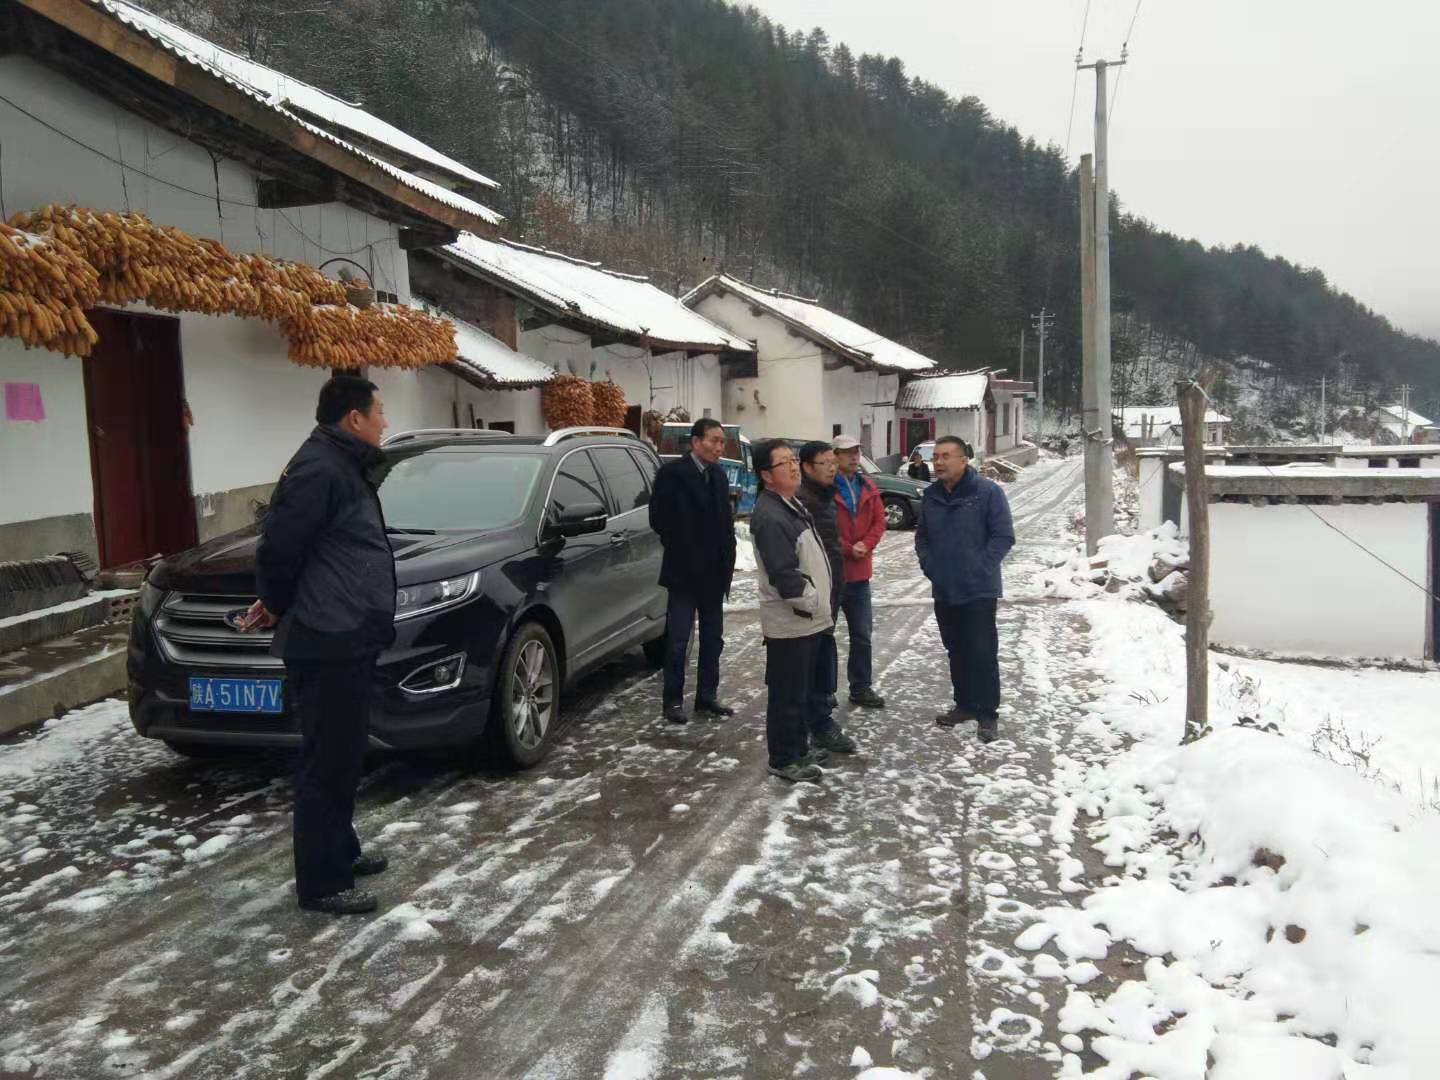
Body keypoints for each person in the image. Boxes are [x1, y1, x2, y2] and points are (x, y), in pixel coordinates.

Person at [241, 375, 396, 915]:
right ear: (354, 418)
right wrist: (275, 601)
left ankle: (340, 851)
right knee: (327, 760)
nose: (384, 421)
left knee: (344, 755)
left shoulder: (340, 464)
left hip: (346, 630)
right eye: (379, 411)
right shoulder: (320, 468)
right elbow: (279, 547)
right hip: (328, 635)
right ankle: (323, 882)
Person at [915, 436, 1015, 743]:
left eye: (946, 456)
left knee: (982, 651)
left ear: (963, 460)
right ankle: (965, 705)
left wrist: (979, 569)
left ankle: (987, 713)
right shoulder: (931, 495)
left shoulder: (987, 492)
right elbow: (922, 537)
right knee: (956, 649)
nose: (939, 462)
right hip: (944, 588)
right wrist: (930, 567)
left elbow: (1003, 536)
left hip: (979, 589)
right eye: (936, 457)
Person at [750, 440, 834, 783]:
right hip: (792, 621)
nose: (794, 466)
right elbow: (784, 575)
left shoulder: (788, 504)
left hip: (807, 621)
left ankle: (798, 749)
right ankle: (784, 758)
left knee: (800, 691)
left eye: (793, 460)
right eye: (784, 463)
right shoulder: (770, 516)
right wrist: (813, 601)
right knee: (787, 694)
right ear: (766, 475)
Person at [648, 417, 738, 724]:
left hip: (714, 574)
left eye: (722, 442)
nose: (719, 447)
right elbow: (658, 519)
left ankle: (707, 697)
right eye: (713, 441)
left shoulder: (719, 475)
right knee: (678, 641)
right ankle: (672, 701)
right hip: (684, 573)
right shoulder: (672, 474)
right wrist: (683, 545)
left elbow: (725, 522)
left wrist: (727, 558)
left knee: (713, 640)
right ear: (696, 442)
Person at [795, 441, 859, 756]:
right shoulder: (803, 501)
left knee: (823, 655)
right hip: (813, 595)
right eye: (825, 463)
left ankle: (818, 718)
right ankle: (816, 724)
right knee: (812, 661)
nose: (833, 468)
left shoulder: (824, 496)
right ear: (807, 467)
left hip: (831, 587)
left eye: (834, 462)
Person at [831, 435, 887, 709]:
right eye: (847, 452)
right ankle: (824, 690)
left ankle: (861, 687)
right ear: (834, 456)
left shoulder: (867, 485)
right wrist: (847, 547)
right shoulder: (826, 487)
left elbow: (879, 521)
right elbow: (821, 526)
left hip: (860, 574)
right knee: (824, 637)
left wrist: (867, 543)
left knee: (862, 636)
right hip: (832, 574)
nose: (854, 457)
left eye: (856, 452)